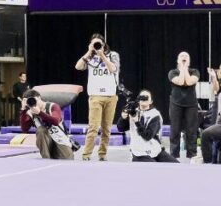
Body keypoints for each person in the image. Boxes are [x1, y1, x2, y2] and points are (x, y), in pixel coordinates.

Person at [75, 33, 119, 161]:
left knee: (106, 128)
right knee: (93, 127)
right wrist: (89, 51)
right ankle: (86, 154)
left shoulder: (113, 55)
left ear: (104, 44)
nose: (97, 45)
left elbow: (113, 69)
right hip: (95, 96)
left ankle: (102, 154)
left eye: (99, 43)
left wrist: (102, 55)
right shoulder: (89, 57)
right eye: (94, 43)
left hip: (110, 96)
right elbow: (78, 66)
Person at [118, 89, 178, 163]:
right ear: (138, 100)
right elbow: (120, 128)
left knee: (176, 165)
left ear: (151, 101)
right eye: (141, 97)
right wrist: (123, 118)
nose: (144, 99)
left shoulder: (155, 115)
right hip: (139, 152)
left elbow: (147, 136)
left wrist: (137, 122)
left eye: (146, 97)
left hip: (155, 149)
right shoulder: (133, 112)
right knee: (152, 167)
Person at [20, 89, 74, 160]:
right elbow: (24, 129)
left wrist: (40, 113)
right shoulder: (30, 112)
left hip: (60, 140)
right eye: (30, 101)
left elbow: (55, 121)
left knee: (67, 160)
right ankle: (46, 158)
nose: (33, 103)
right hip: (47, 142)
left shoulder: (53, 106)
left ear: (39, 98)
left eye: (34, 100)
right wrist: (23, 110)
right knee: (41, 130)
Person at [167, 51, 200, 160]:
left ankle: (192, 155)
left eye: (186, 56)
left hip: (191, 104)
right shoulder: (172, 72)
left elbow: (189, 82)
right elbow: (181, 82)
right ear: (177, 60)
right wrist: (182, 68)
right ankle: (173, 156)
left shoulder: (195, 71)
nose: (184, 57)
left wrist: (185, 68)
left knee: (191, 130)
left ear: (189, 61)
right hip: (176, 104)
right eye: (182, 56)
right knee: (175, 130)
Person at [193, 66, 219, 164]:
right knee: (207, 134)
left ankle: (209, 162)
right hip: (218, 119)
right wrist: (214, 77)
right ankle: (208, 163)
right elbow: (216, 89)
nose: (219, 71)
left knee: (207, 134)